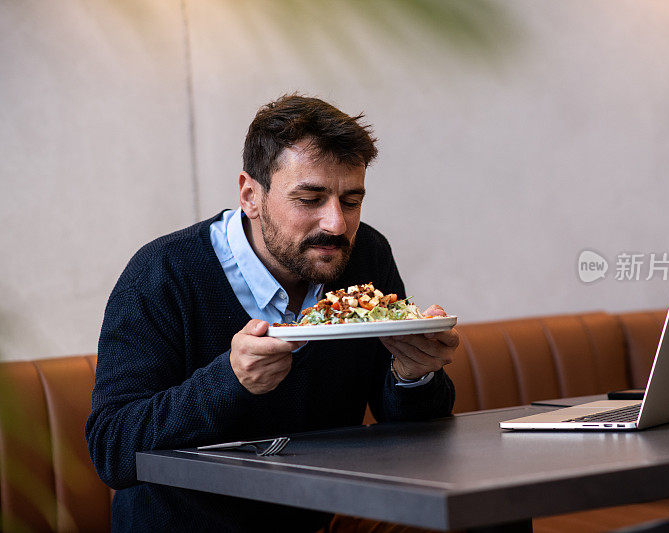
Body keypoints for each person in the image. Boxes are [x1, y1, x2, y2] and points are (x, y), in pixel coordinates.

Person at [86, 94, 458, 532]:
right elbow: (112, 448)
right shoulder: (164, 272)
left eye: (351, 200)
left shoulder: (366, 255)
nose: (336, 224)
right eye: (309, 199)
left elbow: (416, 434)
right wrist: (231, 381)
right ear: (250, 195)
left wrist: (413, 376)